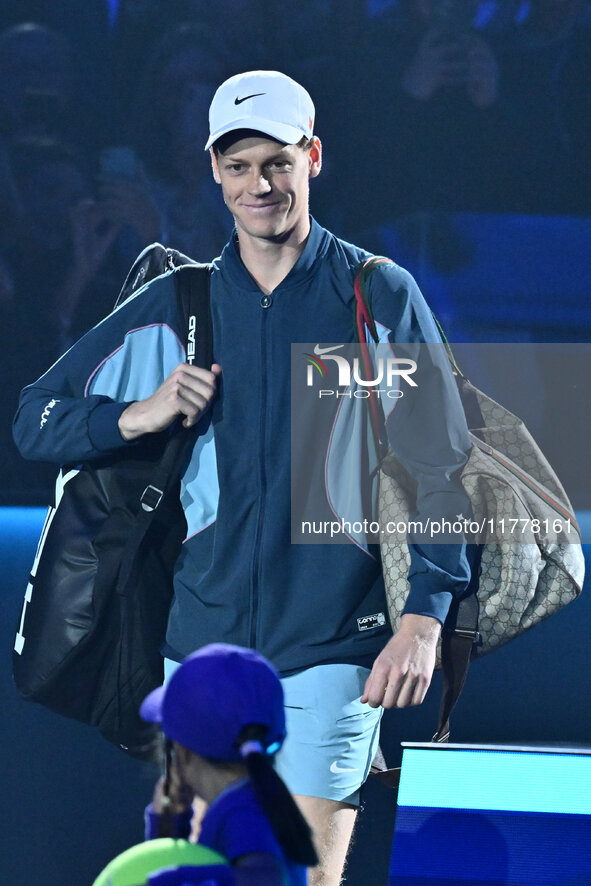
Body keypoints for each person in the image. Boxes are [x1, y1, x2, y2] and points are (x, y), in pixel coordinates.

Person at [13, 70, 472, 886]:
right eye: (238, 165)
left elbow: (437, 461)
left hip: (337, 645)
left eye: (277, 162)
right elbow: (34, 418)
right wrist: (134, 415)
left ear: (313, 158)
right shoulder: (175, 305)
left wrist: (423, 619)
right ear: (213, 172)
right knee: (204, 874)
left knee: (299, 878)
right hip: (201, 650)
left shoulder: (373, 294)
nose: (258, 183)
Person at [142, 643, 317, 885]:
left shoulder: (243, 810)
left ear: (182, 751)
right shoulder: (251, 802)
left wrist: (172, 879)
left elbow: (265, 879)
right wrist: (170, 825)